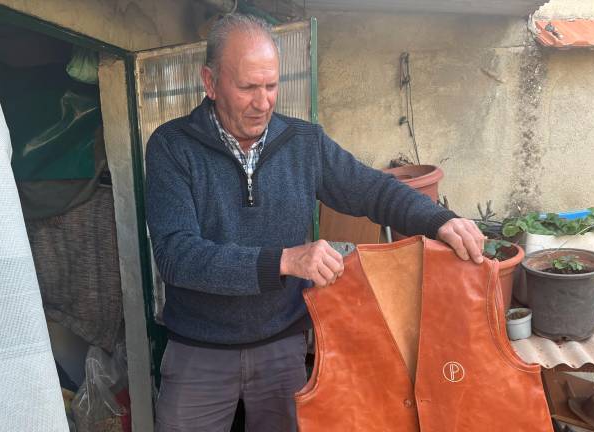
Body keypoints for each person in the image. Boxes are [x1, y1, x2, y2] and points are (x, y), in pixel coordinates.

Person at [145, 13, 485, 432]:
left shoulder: (303, 143)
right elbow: (177, 256)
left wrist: (438, 221)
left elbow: (371, 190)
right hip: (199, 350)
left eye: (271, 86)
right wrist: (283, 261)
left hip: (281, 346)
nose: (263, 101)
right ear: (211, 82)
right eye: (248, 87)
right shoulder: (172, 147)